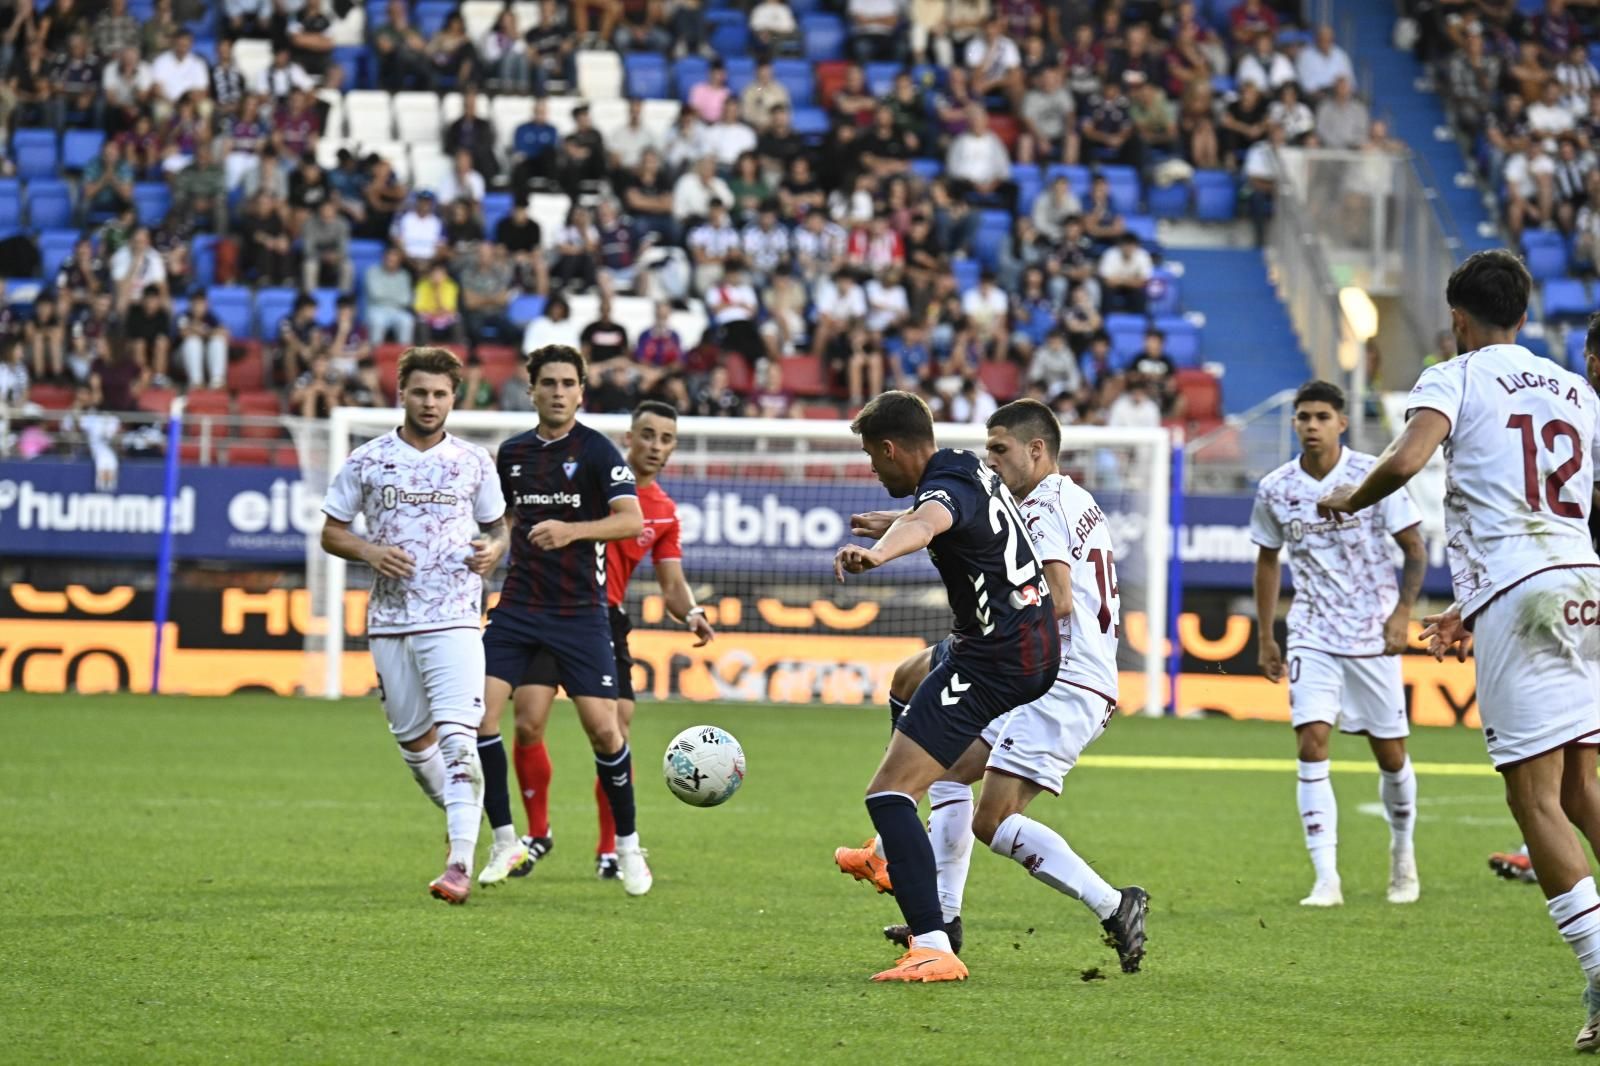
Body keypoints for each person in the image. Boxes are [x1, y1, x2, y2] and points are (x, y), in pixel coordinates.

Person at [1317, 250, 1600, 1053]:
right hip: (1583, 581)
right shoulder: (1575, 390)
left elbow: (1406, 459)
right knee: (1582, 786)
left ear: (1460, 319)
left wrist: (1350, 498)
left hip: (1524, 587)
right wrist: (1477, 603)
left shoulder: (1457, 373)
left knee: (1533, 799)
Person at [835, 400, 1149, 969]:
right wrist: (901, 525)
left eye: (1001, 449)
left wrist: (889, 547)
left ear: (1037, 449)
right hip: (1048, 667)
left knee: (992, 819)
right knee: (946, 761)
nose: (992, 460)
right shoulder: (1070, 498)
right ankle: (938, 918)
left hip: (1062, 676)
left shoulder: (1045, 507)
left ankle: (1113, 904)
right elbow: (964, 518)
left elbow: (1053, 599)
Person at [830, 390, 1061, 982]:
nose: (872, 469)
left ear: (889, 447)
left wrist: (878, 553)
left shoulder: (943, 491)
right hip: (1013, 640)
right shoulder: (963, 467)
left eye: (871, 457)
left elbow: (934, 518)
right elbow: (949, 519)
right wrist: (896, 522)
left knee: (887, 794)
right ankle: (893, 848)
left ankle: (933, 944)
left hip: (998, 655)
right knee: (907, 678)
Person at [319, 347, 508, 903]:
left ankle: (458, 865)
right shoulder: (367, 460)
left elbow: (500, 530)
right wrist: (371, 552)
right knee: (416, 746)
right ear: (401, 393)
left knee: (457, 741)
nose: (430, 403)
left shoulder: (474, 461)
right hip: (390, 621)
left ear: (455, 397)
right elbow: (331, 532)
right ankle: (467, 822)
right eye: (421, 392)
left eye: (441, 394)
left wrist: (493, 552)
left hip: (453, 617)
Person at [508, 401, 717, 880]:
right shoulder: (593, 480)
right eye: (647, 435)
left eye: (666, 439)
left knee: (614, 729)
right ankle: (537, 834)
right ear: (629, 437)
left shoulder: (662, 513)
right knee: (527, 722)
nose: (655, 446)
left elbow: (671, 586)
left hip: (605, 622)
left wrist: (693, 613)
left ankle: (610, 849)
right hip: (551, 607)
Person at [472, 345, 652, 895]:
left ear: (580, 391)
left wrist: (570, 531)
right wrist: (492, 548)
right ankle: (506, 841)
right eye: (546, 382)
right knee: (481, 720)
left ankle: (627, 847)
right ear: (531, 391)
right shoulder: (512, 454)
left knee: (604, 731)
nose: (557, 391)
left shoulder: (597, 452)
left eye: (567, 382)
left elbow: (630, 521)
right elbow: (503, 522)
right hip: (519, 608)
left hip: (580, 614)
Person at [1250, 380, 1427, 908]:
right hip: (1312, 633)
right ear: (1294, 423)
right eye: (1303, 416)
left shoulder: (1375, 474)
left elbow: (1415, 550)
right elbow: (1266, 558)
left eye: (1322, 416)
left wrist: (1402, 615)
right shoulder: (1275, 488)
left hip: (1373, 634)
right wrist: (1266, 636)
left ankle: (1402, 852)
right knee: (1311, 744)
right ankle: (1326, 876)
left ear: (1341, 423)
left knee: (1391, 755)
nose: (1311, 425)